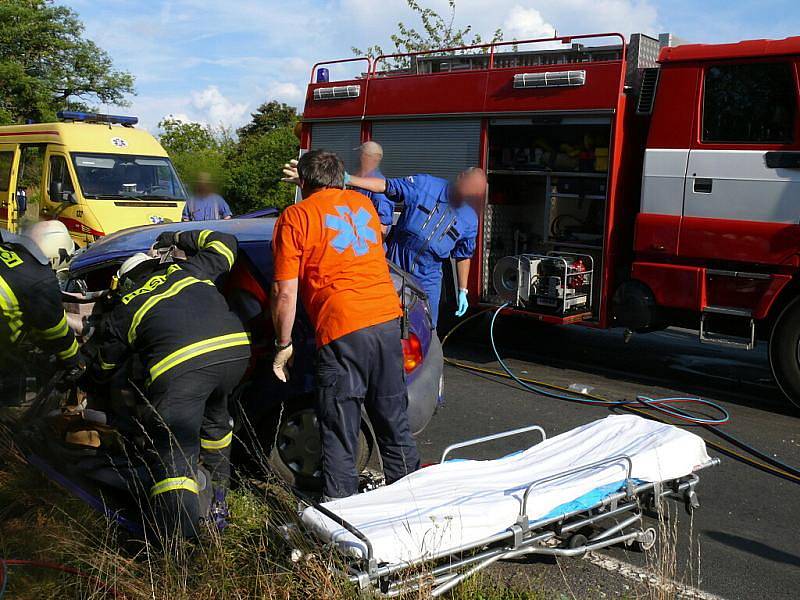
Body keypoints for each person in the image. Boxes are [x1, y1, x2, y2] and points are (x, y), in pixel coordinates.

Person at [84, 229, 250, 539]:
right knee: (215, 431)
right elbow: (227, 243)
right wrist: (178, 237)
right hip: (234, 354)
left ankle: (182, 548)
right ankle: (218, 510)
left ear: (127, 280)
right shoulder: (189, 270)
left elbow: (105, 363)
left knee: (174, 453)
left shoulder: (128, 302)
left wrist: (90, 379)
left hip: (183, 367)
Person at [273, 150, 420, 500]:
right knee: (392, 420)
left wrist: (283, 345)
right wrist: (314, 186)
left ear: (303, 182)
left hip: (343, 327)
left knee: (340, 427)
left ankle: (342, 516)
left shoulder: (294, 217)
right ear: (339, 178)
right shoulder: (363, 207)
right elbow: (334, 214)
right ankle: (415, 503)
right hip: (386, 320)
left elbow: (284, 292)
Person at [341, 167, 484, 328]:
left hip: (428, 275)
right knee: (382, 320)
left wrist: (463, 290)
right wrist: (348, 179)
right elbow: (386, 186)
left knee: (426, 327)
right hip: (396, 263)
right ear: (460, 177)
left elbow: (463, 254)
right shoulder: (426, 184)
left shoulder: (470, 219)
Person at [1, 221, 82, 400]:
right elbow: (56, 333)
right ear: (55, 258)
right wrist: (74, 362)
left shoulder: (7, 249)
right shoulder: (39, 279)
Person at [352, 141, 393, 236]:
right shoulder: (357, 180)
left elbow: (383, 225)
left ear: (366, 157)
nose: (357, 158)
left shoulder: (379, 185)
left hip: (365, 246)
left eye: (360, 154)